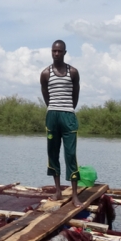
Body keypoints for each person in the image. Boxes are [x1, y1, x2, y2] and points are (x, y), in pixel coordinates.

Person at [40, 40, 82, 207]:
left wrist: (68, 109)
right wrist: (53, 108)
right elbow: (46, 95)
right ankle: (58, 191)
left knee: (70, 155)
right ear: (51, 52)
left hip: (68, 116)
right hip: (52, 115)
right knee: (53, 152)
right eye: (54, 51)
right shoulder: (45, 73)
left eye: (59, 51)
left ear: (65, 52)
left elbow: (75, 94)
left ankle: (74, 195)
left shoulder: (73, 72)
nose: (56, 54)